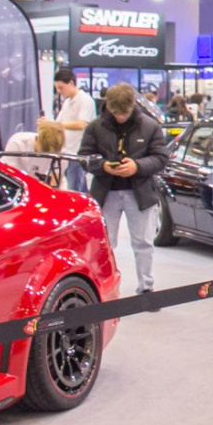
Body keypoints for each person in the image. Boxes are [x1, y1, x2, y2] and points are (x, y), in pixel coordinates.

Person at [79, 82, 169, 296]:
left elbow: (161, 158)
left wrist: (137, 166)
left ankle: (146, 287)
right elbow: (84, 157)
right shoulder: (95, 127)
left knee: (144, 242)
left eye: (124, 113)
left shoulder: (150, 126)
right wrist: (103, 166)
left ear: (133, 106)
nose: (120, 117)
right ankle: (103, 288)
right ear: (108, 107)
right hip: (105, 193)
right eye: (116, 113)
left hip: (141, 194)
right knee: (104, 244)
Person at [40, 68, 97, 192]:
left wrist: (54, 124)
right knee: (76, 187)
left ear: (71, 83)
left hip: (78, 152)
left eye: (61, 87)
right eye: (57, 88)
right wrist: (47, 124)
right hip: (66, 152)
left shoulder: (85, 100)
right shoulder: (67, 102)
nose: (59, 91)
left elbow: (82, 124)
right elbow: (58, 123)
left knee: (75, 189)